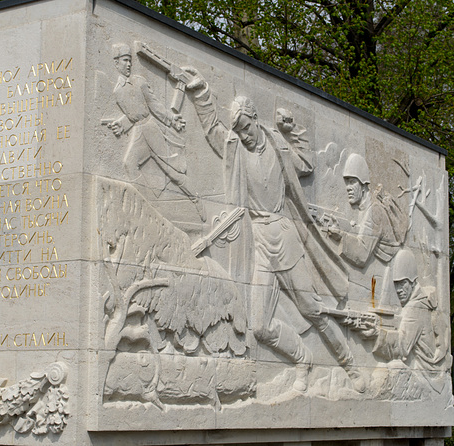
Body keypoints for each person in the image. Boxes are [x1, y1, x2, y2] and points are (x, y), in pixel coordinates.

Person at [184, 69, 365, 392]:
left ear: (255, 119)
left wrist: (292, 129)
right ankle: (302, 360)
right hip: (260, 246)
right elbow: (213, 130)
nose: (243, 135)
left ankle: (351, 366)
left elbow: (307, 164)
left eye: (246, 128)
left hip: (287, 239)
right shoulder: (236, 147)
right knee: (259, 327)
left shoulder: (278, 145)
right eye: (238, 131)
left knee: (313, 310)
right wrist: (200, 93)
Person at [107, 44, 204, 220]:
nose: (128, 64)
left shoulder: (139, 82)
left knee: (171, 170)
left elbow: (153, 105)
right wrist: (120, 125)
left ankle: (195, 198)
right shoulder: (117, 91)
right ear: (116, 63)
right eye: (125, 61)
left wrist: (171, 119)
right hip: (138, 132)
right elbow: (132, 115)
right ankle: (150, 206)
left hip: (151, 129)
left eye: (130, 60)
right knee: (129, 165)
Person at [362, 249, 443, 370]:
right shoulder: (420, 302)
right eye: (396, 284)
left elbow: (401, 348)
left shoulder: (416, 307)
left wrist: (376, 334)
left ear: (413, 282)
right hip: (426, 373)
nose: (399, 289)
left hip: (425, 374)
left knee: (389, 369)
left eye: (403, 283)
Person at [324, 154, 400, 268]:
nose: (348, 187)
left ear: (363, 184)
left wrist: (340, 235)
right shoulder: (365, 208)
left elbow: (362, 254)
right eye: (346, 182)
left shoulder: (375, 210)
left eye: (352, 182)